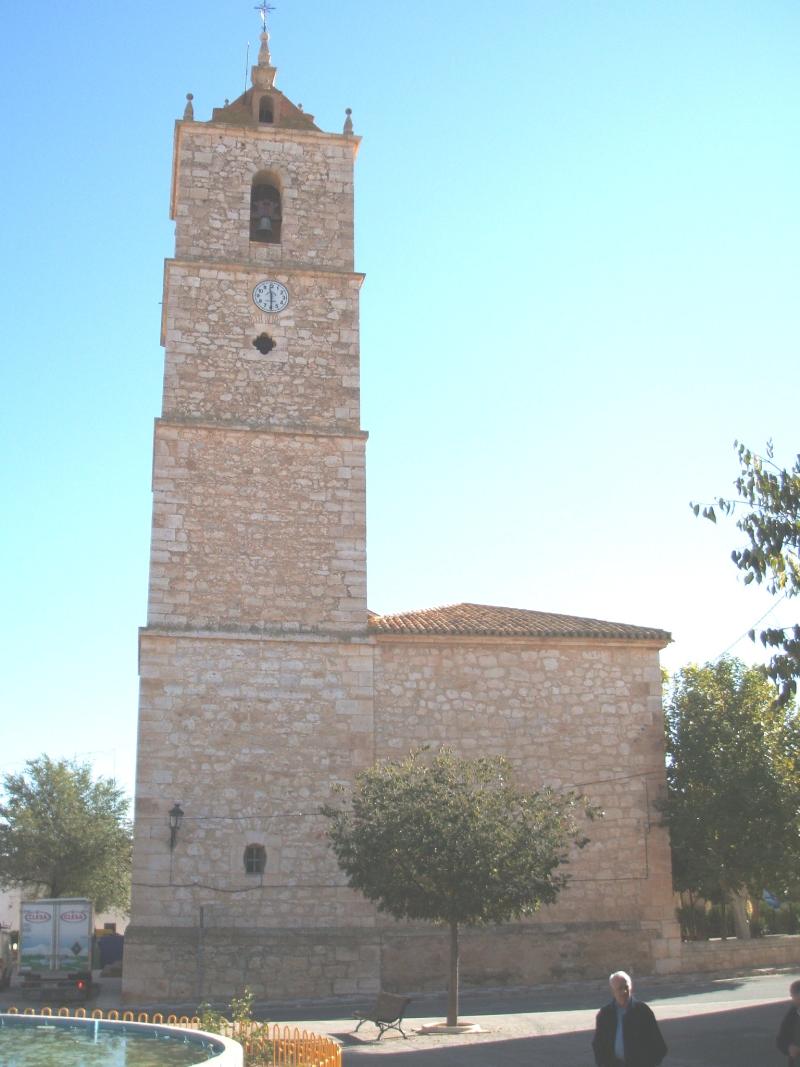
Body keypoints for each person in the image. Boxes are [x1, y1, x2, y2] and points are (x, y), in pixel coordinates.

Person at [592, 970, 667, 1067]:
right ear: (613, 991)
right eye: (620, 988)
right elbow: (598, 1045)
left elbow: (659, 1045)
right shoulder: (605, 1015)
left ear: (631, 987)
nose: (624, 991)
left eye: (626, 987)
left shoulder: (643, 1011)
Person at [776, 979, 800, 1066]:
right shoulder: (792, 1014)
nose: (792, 998)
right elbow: (781, 1039)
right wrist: (788, 1047)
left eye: (793, 995)